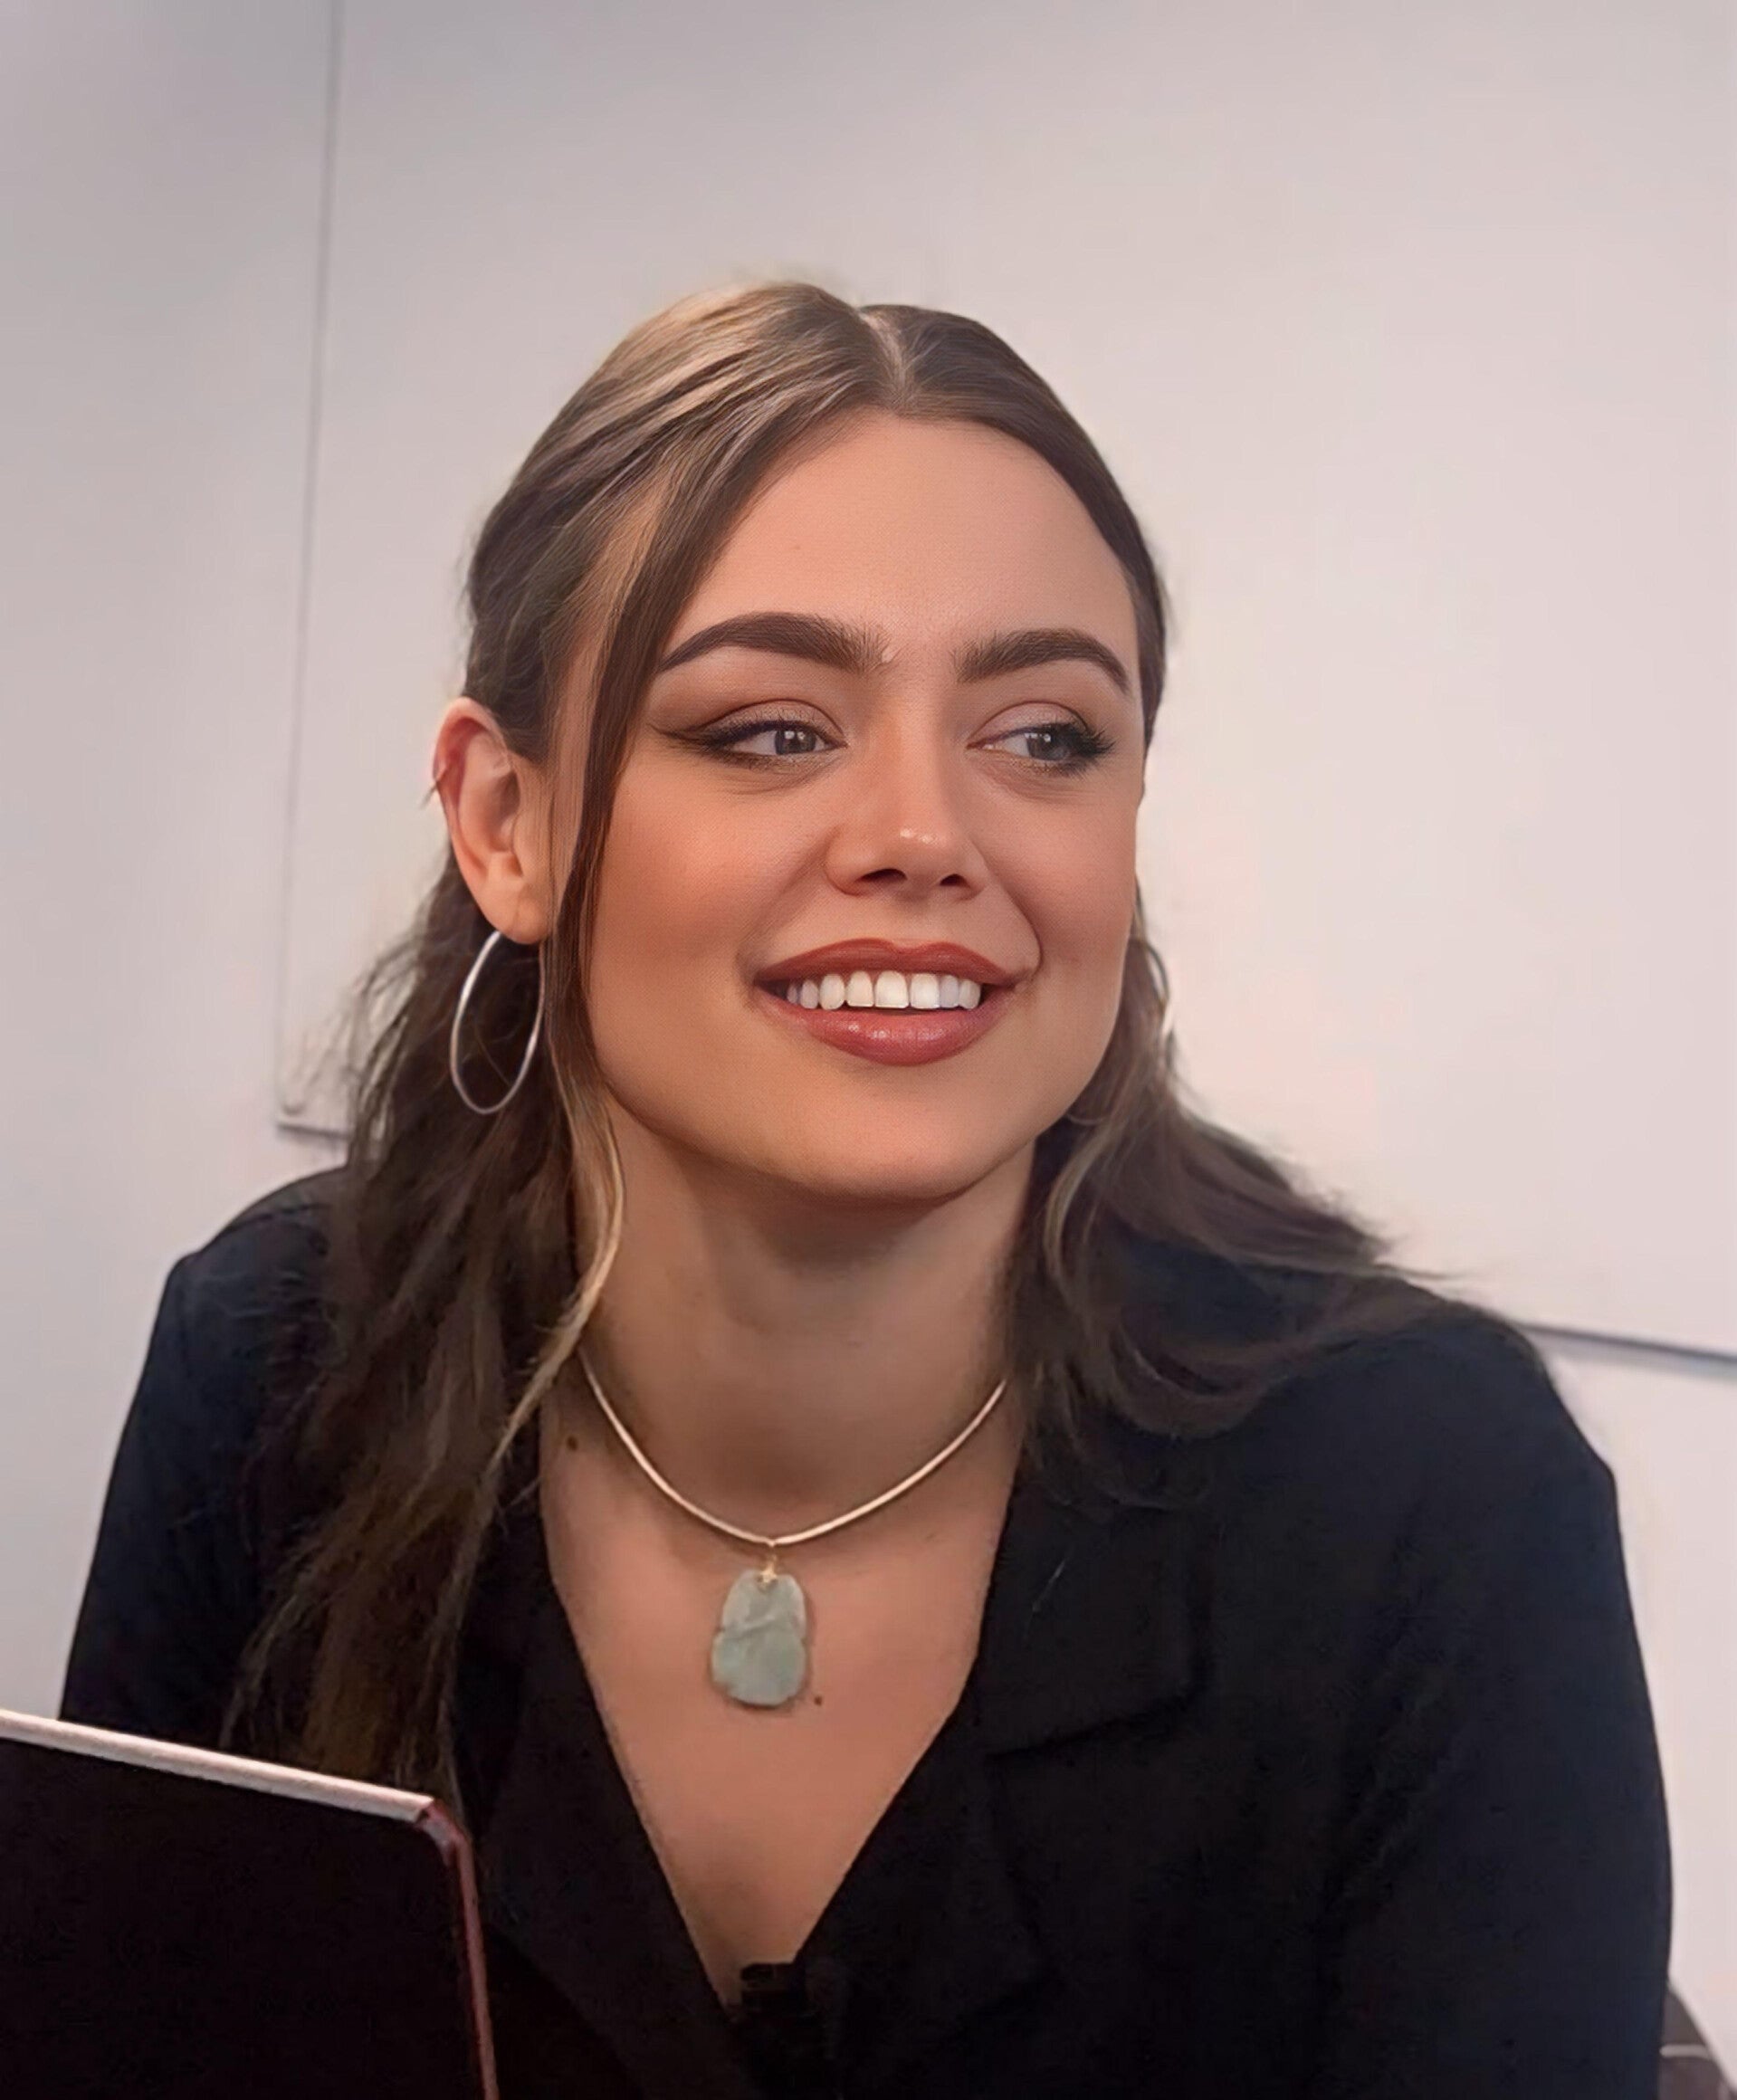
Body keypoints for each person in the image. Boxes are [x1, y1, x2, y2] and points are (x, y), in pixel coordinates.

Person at [61, 281, 1671, 2098]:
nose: (924, 833)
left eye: (1045, 736)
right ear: (507, 821)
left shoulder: (1434, 1496)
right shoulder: (277, 1364)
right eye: (772, 729)